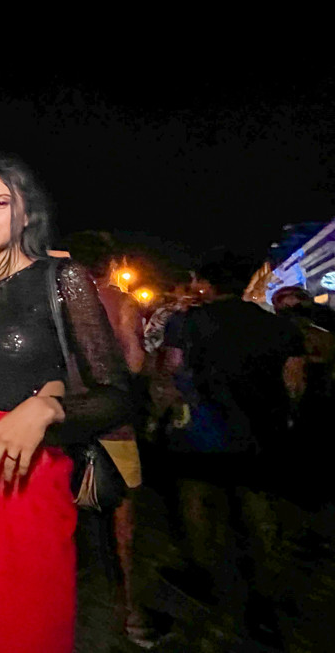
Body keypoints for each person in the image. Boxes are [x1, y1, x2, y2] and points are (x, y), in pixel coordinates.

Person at [0, 160, 132, 653]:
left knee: (24, 620)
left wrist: (48, 410)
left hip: (27, 469)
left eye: (0, 203)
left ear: (25, 215)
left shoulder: (61, 279)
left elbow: (117, 395)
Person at [156, 251, 305, 647]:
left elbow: (171, 368)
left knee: (196, 497)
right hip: (261, 431)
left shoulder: (185, 322)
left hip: (202, 427)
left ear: (208, 284)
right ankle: (263, 595)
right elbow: (294, 383)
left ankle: (201, 574)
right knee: (258, 508)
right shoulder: (279, 326)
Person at [62, 231, 167, 647]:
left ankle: (58, 606)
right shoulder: (120, 302)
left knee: (62, 515)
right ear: (109, 264)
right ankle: (131, 612)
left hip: (63, 419)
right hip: (112, 420)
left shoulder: (56, 298)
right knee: (123, 522)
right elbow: (136, 362)